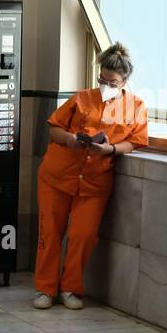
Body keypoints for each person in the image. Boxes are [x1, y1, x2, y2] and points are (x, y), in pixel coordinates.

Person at [33, 42, 148, 310]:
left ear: (124, 81)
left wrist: (109, 149)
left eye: (113, 81)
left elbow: (134, 142)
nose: (107, 84)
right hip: (58, 175)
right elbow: (53, 130)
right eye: (102, 79)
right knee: (50, 233)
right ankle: (45, 289)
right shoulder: (81, 98)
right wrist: (72, 140)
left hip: (96, 181)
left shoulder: (136, 106)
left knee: (83, 235)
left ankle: (70, 288)